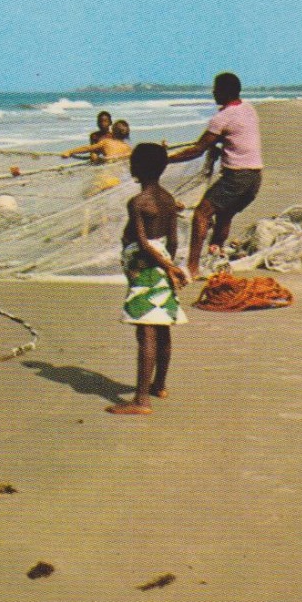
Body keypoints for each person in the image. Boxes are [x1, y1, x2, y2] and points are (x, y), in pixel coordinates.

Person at [108, 142, 190, 415]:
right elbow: (175, 240)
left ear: (139, 168)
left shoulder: (138, 202)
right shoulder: (168, 199)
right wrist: (172, 266)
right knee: (163, 326)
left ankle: (141, 400)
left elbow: (143, 243)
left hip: (146, 269)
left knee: (146, 332)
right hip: (163, 264)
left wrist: (167, 267)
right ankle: (159, 384)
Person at [167, 72, 262, 280]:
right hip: (255, 177)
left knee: (202, 213)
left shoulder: (222, 117)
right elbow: (237, 137)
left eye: (216, 89)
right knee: (225, 214)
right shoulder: (248, 109)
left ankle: (192, 267)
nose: (213, 92)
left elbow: (197, 150)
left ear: (224, 92)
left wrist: (165, 160)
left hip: (237, 176)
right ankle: (215, 256)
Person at [62, 119, 132, 163]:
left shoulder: (106, 142)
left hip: (107, 174)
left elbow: (87, 148)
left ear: (113, 131)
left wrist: (69, 152)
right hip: (120, 179)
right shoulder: (128, 148)